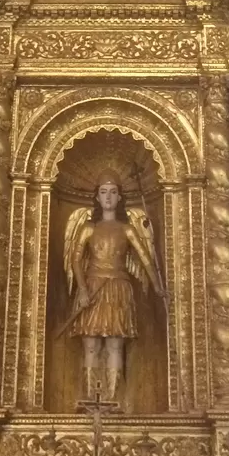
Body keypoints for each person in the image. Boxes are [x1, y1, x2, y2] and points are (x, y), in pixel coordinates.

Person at [62, 170, 163, 401]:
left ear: (119, 198)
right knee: (91, 346)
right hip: (92, 286)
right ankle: (90, 400)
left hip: (118, 288)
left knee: (115, 346)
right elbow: (75, 260)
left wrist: (157, 286)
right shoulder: (88, 228)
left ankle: (113, 400)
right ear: (97, 197)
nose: (108, 197)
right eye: (104, 192)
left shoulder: (127, 229)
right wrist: (83, 290)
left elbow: (146, 259)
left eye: (113, 192)